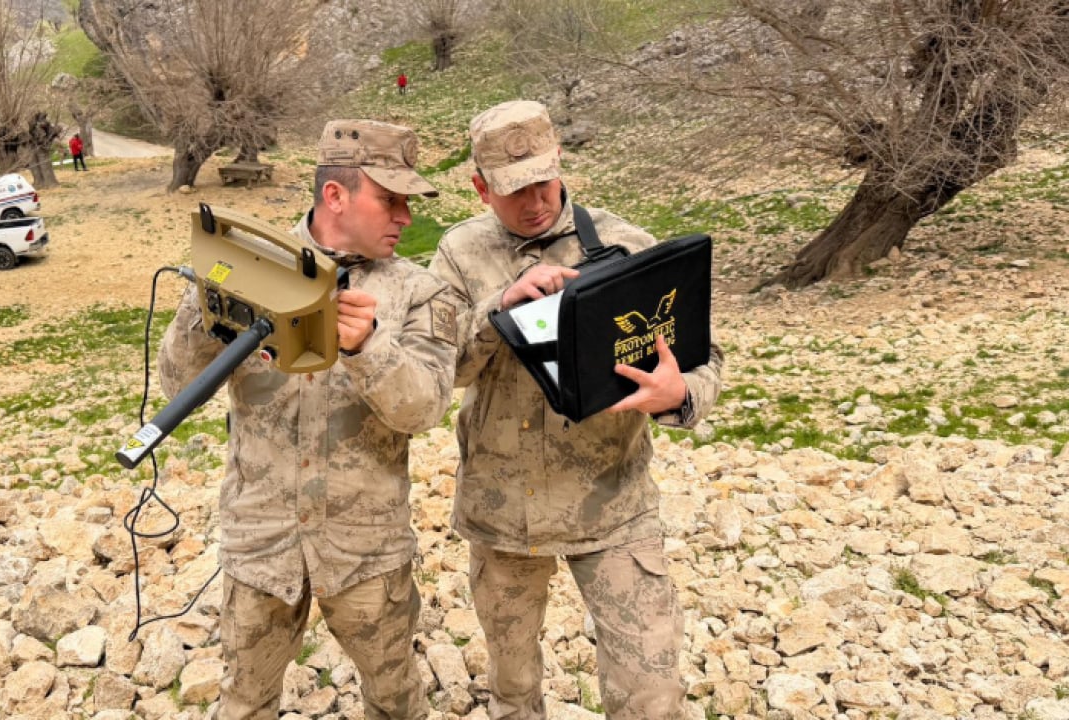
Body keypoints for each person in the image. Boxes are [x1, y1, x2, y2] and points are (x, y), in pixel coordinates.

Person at [428, 100, 724, 720]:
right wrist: (498, 308)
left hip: (611, 505)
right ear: (480, 186)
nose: (534, 200)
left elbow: (702, 357)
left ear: (559, 158)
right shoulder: (458, 253)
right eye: (513, 190)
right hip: (502, 513)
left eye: (543, 180)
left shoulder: (625, 244)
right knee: (512, 692)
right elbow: (440, 370)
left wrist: (681, 396)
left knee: (651, 695)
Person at [158, 119, 458, 720]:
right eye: (391, 199)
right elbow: (176, 382)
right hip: (262, 542)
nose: (405, 216)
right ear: (336, 195)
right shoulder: (248, 266)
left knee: (396, 701)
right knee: (245, 701)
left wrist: (371, 347)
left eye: (408, 203)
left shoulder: (421, 293)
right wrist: (210, 301)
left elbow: (425, 408)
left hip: (366, 549)